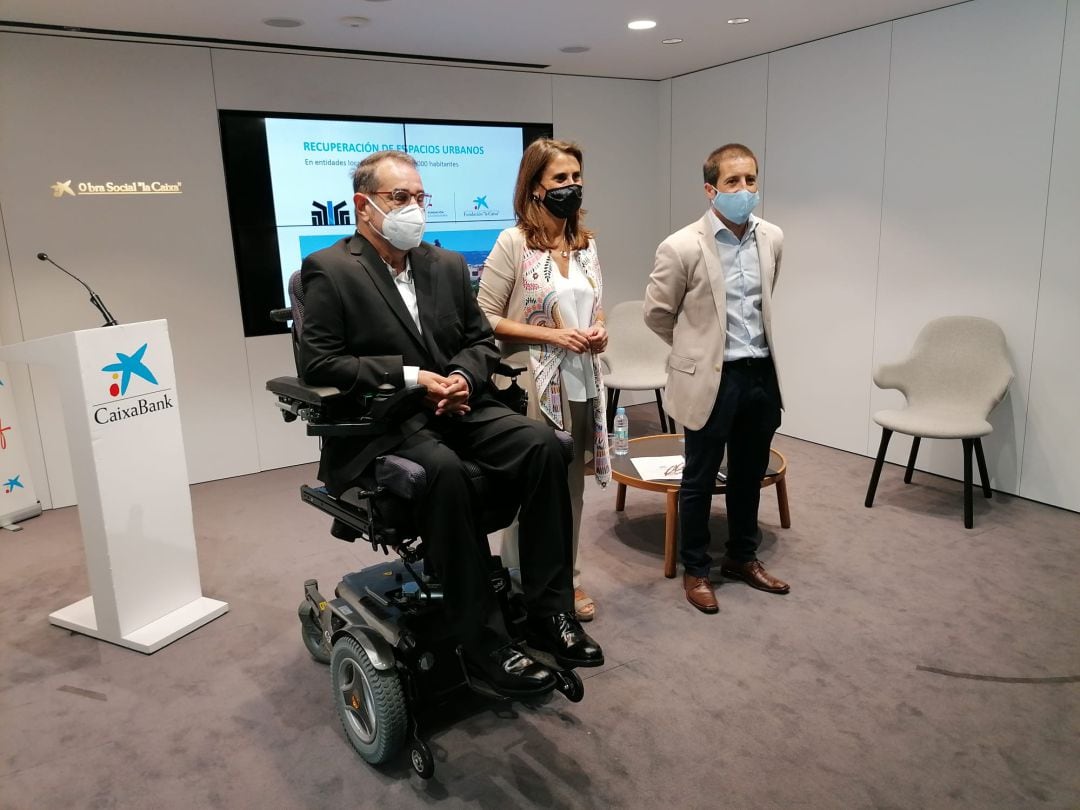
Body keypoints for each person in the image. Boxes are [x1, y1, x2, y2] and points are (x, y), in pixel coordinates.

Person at [299, 150, 603, 696]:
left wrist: (463, 375)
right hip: (386, 422)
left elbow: (479, 340)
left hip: (460, 406)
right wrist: (414, 377)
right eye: (400, 198)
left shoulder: (443, 264)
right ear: (363, 207)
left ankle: (549, 612)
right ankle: (483, 641)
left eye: (420, 198)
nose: (414, 208)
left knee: (544, 445)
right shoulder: (331, 269)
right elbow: (319, 363)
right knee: (445, 471)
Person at [644, 143, 790, 614]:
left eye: (750, 179)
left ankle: (742, 558)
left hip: (760, 373)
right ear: (710, 189)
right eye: (732, 182)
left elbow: (764, 300)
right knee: (700, 477)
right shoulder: (682, 245)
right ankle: (696, 568)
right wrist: (696, 349)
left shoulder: (772, 238)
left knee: (750, 473)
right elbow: (657, 314)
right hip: (711, 377)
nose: (744, 190)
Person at [477, 138, 609, 623]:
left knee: (569, 487)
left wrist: (599, 331)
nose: (571, 187)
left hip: (581, 378)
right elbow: (483, 317)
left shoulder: (586, 244)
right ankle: (519, 577)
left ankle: (565, 579)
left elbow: (595, 310)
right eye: (560, 179)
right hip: (530, 381)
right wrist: (549, 335)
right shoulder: (514, 243)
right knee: (531, 487)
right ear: (535, 187)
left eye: (576, 178)